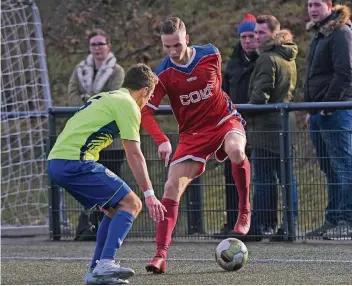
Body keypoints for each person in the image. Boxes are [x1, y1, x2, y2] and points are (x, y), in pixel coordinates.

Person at [141, 17, 251, 274]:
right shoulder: (163, 73)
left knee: (236, 150)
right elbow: (145, 113)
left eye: (177, 45)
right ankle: (160, 256)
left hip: (223, 120)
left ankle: (244, 210)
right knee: (171, 185)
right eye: (167, 47)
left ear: (187, 39)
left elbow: (218, 91)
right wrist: (162, 140)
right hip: (192, 134)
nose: (173, 52)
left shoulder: (211, 55)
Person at [48, 63, 166, 284]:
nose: (147, 102)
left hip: (59, 161)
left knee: (113, 209)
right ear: (144, 91)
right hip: (74, 161)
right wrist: (149, 194)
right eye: (149, 97)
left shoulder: (107, 97)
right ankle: (106, 263)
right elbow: (134, 153)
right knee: (133, 204)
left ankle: (95, 271)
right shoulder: (128, 104)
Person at [67, 28, 126, 240]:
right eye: (94, 44)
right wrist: (89, 104)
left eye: (101, 44)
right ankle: (87, 227)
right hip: (86, 139)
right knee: (89, 183)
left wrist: (88, 100)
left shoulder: (116, 71)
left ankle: (110, 228)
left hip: (109, 139)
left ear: (108, 46)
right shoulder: (79, 70)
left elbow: (112, 96)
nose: (97, 48)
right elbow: (72, 94)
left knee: (110, 184)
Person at [247, 15, 299, 240]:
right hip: (284, 123)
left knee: (264, 179)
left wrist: (243, 109)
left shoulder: (267, 58)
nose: (256, 37)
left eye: (260, 33)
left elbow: (261, 95)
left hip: (266, 127)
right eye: (255, 32)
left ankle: (261, 225)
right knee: (286, 178)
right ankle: (289, 225)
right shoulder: (288, 55)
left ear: (272, 33)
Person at [304, 0, 352, 239]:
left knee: (344, 166)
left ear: (329, 5)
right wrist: (310, 109)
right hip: (318, 112)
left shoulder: (341, 32)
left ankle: (348, 221)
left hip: (335, 111)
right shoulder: (320, 34)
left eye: (317, 4)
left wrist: (328, 105)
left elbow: (345, 72)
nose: (312, 9)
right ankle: (333, 220)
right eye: (309, 4)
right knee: (330, 169)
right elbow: (315, 75)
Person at [215, 13, 258, 238]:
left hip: (255, 125)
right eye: (243, 36)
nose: (248, 40)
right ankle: (232, 220)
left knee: (253, 177)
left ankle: (254, 221)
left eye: (251, 36)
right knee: (230, 176)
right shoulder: (232, 64)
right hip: (233, 129)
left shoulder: (262, 61)